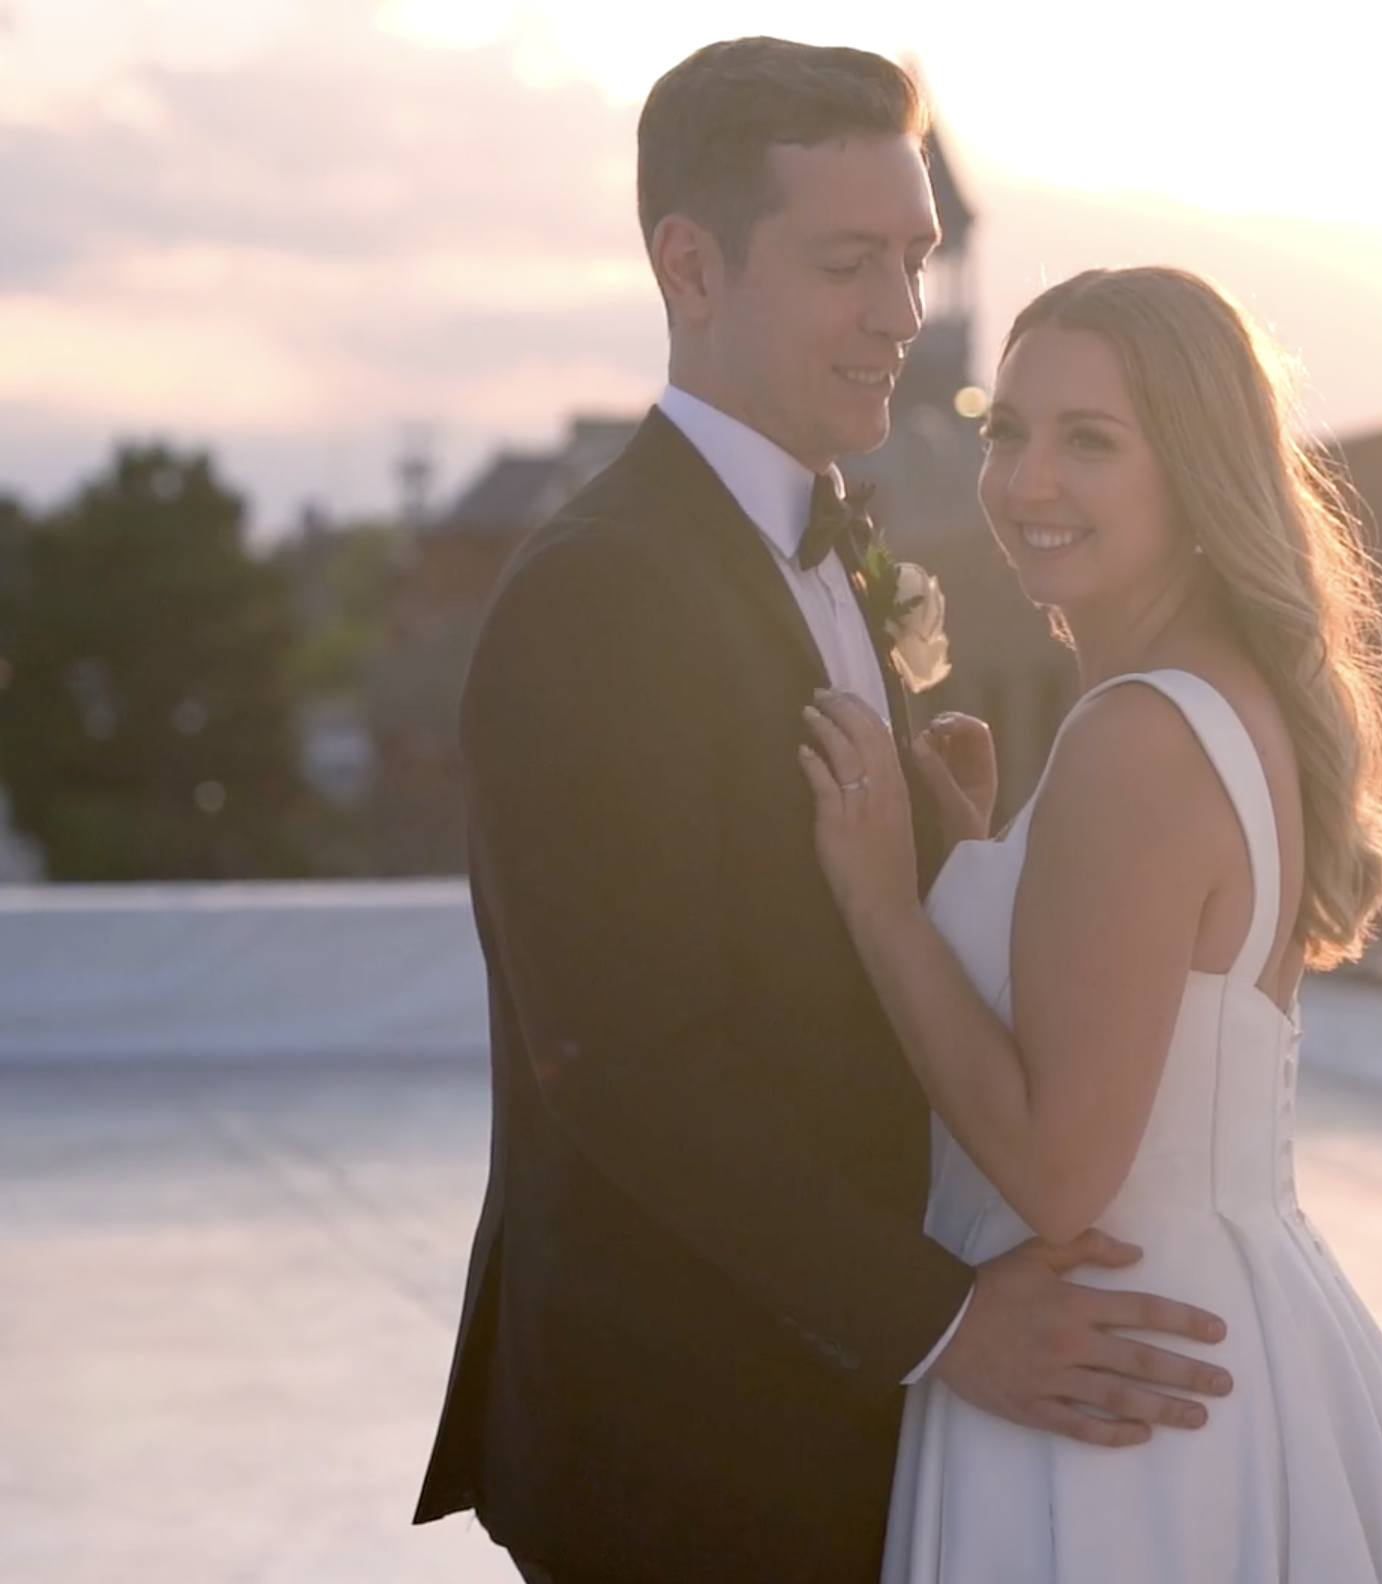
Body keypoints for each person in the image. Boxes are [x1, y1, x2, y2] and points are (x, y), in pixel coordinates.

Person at [412, 43, 1230, 1584]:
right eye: (847, 264)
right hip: (684, 1428)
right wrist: (948, 1324)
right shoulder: (597, 592)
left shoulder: (840, 543)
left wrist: (942, 847)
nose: (900, 316)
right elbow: (626, 1063)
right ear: (691, 266)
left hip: (848, 1408)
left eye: (913, 261)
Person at [799, 266, 1382, 1582]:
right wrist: (980, 857)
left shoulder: (1135, 735)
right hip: (1227, 1341)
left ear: (1193, 471)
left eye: (1090, 441)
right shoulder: (1219, 704)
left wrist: (884, 900)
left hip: (1116, 1384)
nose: (1026, 481)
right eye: (1009, 430)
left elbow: (1063, 1174)